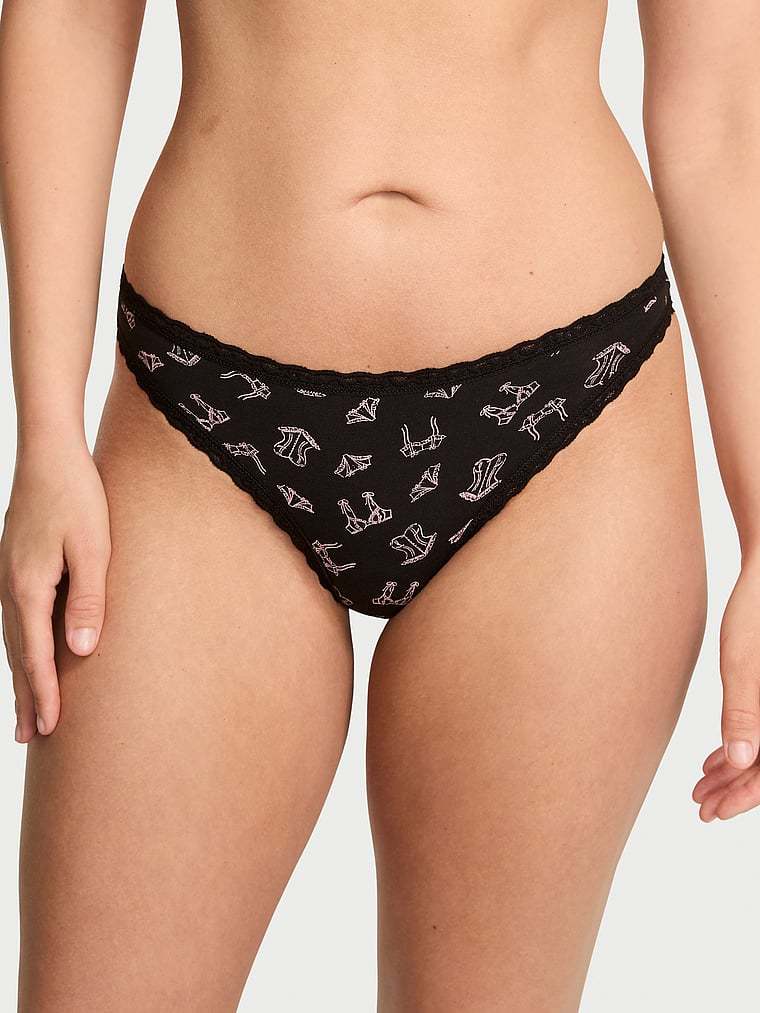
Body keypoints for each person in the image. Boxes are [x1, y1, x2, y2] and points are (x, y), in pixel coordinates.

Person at [0, 2, 755, 1009]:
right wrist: (45, 434)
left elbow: (721, 114)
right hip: (202, 416)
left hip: (569, 422)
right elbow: (68, 21)